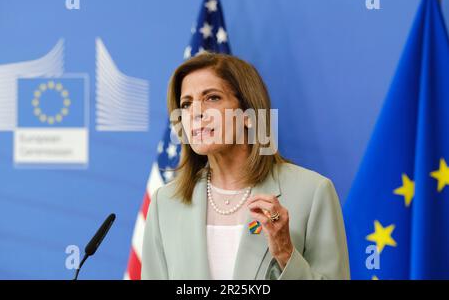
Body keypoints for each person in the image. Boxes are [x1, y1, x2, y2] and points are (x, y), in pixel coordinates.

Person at [141, 52, 350, 280]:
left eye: (212, 98)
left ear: (249, 115)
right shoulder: (165, 203)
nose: (196, 113)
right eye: (187, 103)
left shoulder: (312, 192)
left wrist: (285, 253)